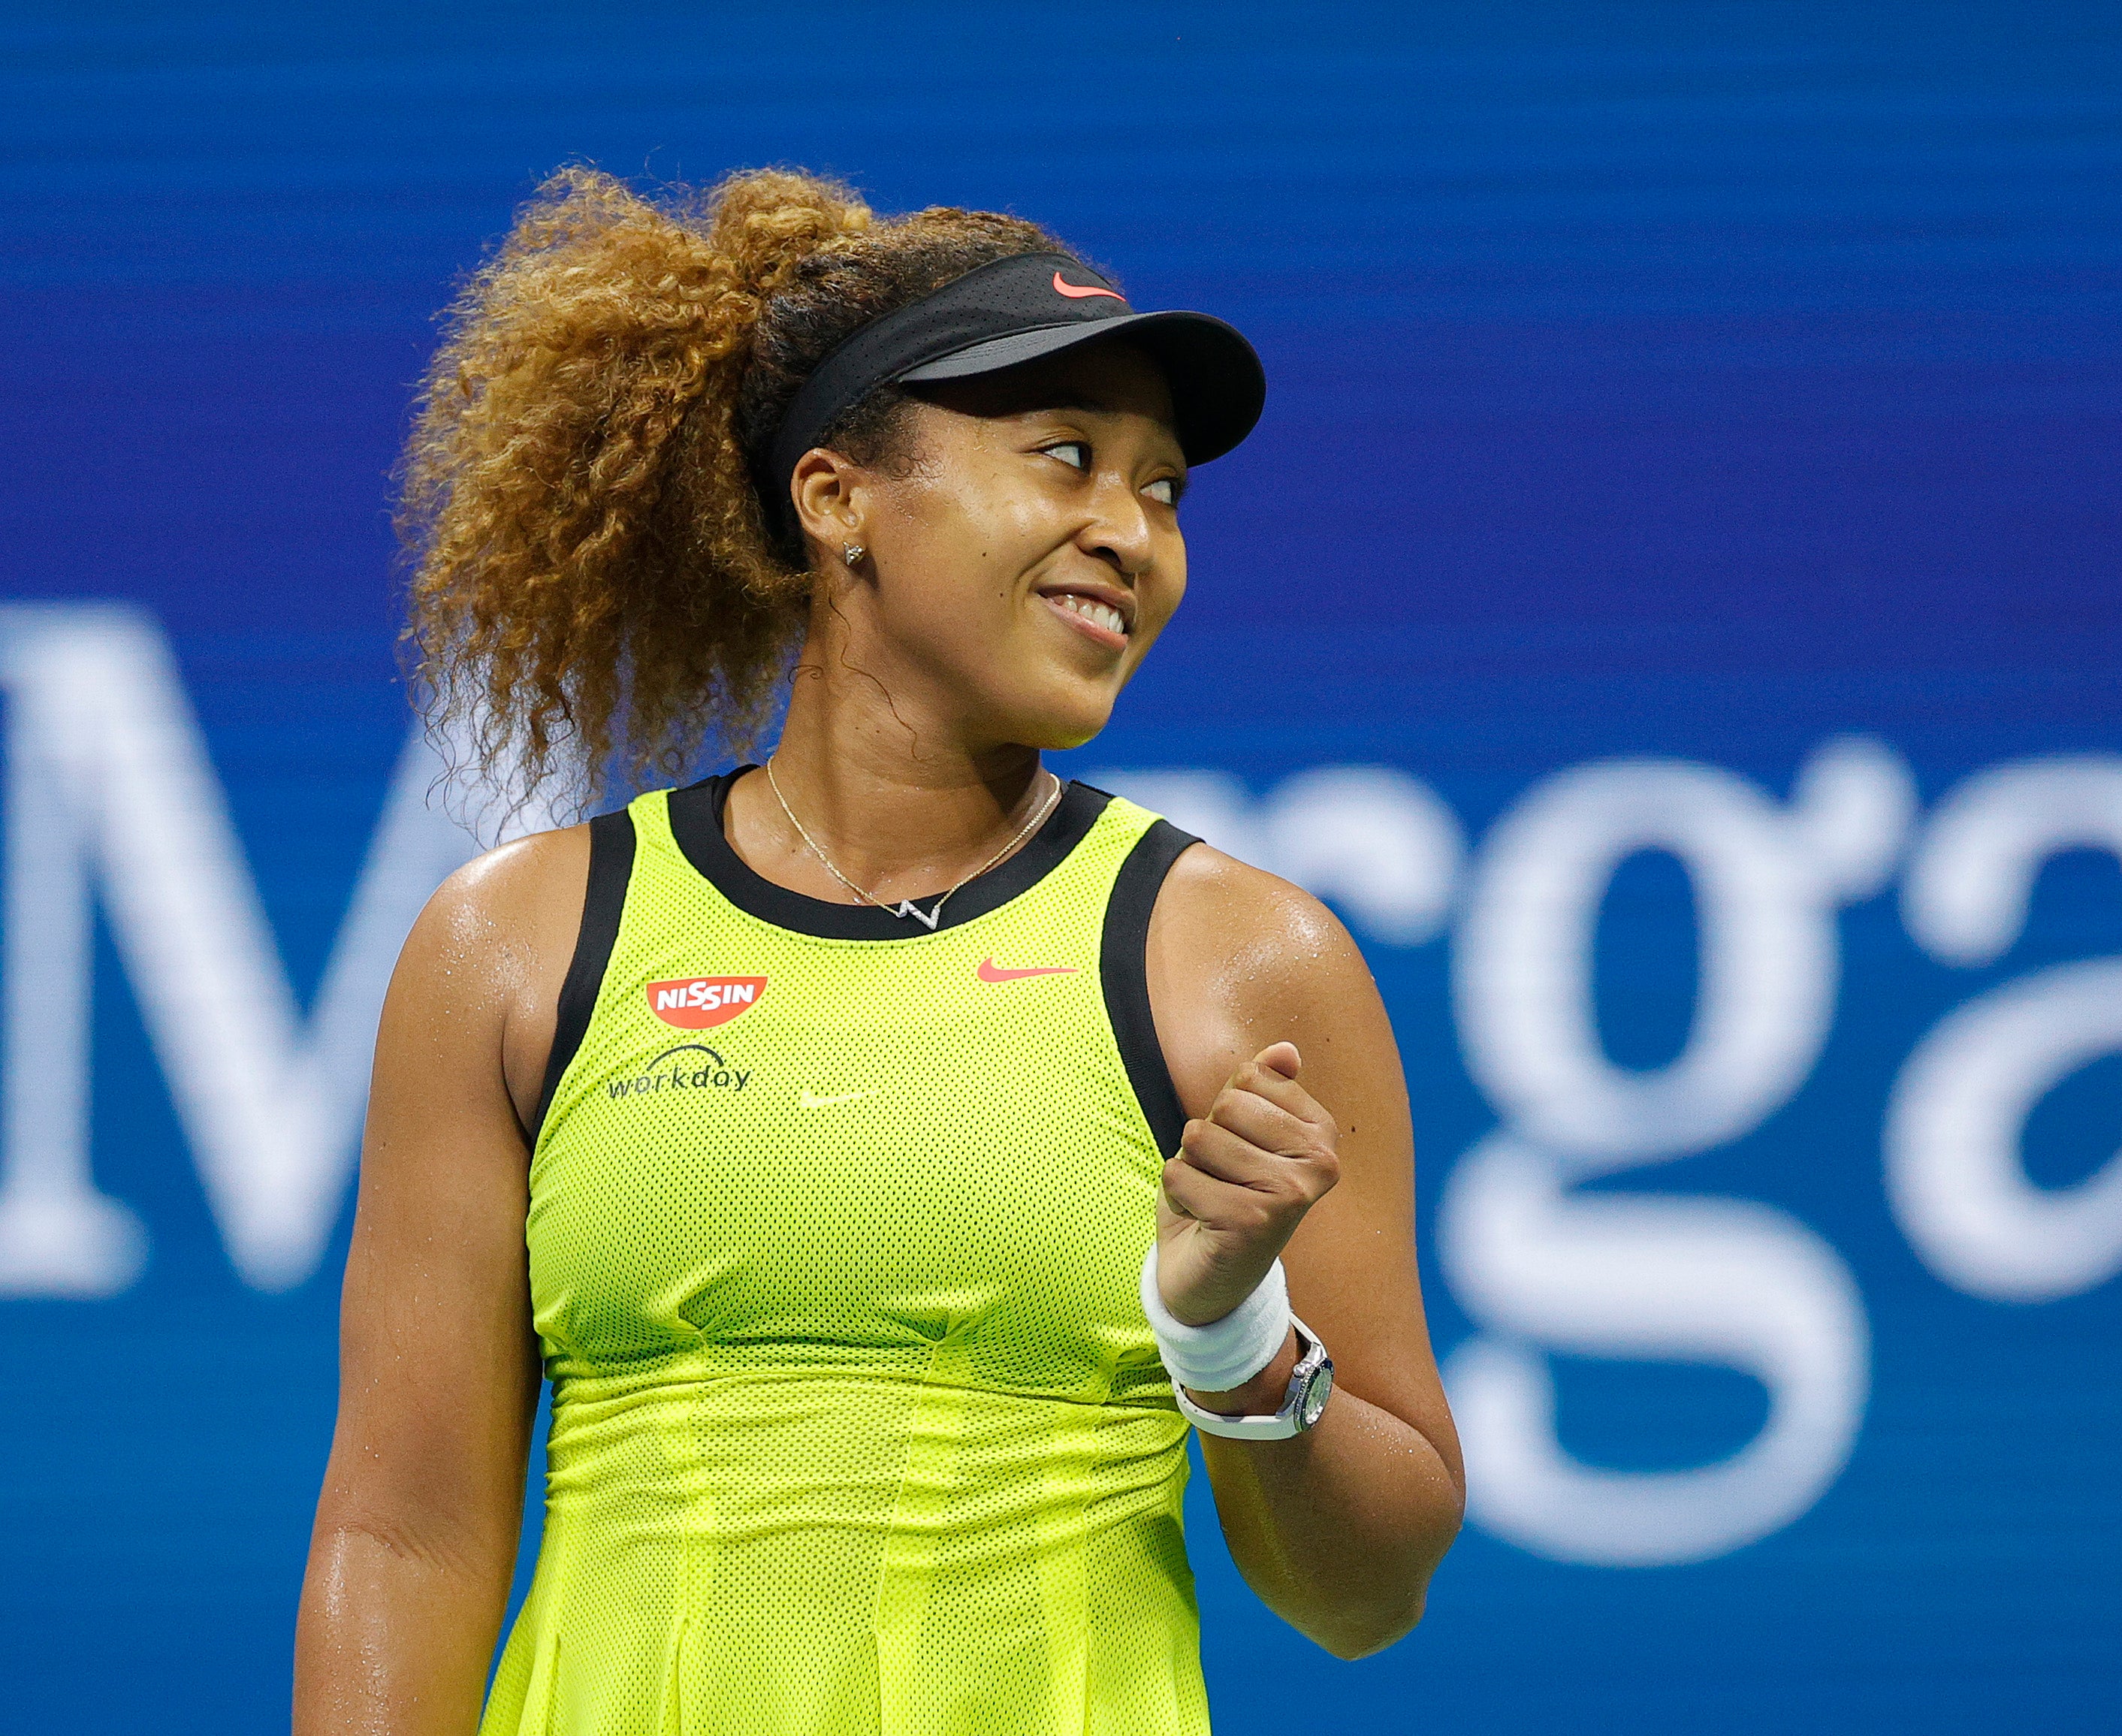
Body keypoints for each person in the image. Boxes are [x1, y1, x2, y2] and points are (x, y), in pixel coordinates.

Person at [290, 168, 1462, 1735]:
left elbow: (1367, 1596)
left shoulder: (1245, 961)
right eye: (1068, 459)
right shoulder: (516, 944)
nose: (1131, 532)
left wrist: (1234, 1333)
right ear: (838, 498)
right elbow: (403, 1536)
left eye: (1165, 490)